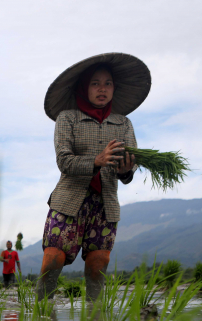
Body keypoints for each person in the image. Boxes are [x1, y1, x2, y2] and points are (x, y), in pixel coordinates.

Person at [36, 53, 151, 303]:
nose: (102, 89)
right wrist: (96, 161)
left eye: (108, 83)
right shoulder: (68, 118)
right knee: (54, 256)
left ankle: (95, 319)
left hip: (105, 203)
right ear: (84, 87)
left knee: (99, 262)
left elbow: (128, 174)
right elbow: (63, 161)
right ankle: (41, 311)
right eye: (95, 83)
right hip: (69, 200)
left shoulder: (123, 124)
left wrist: (125, 171)